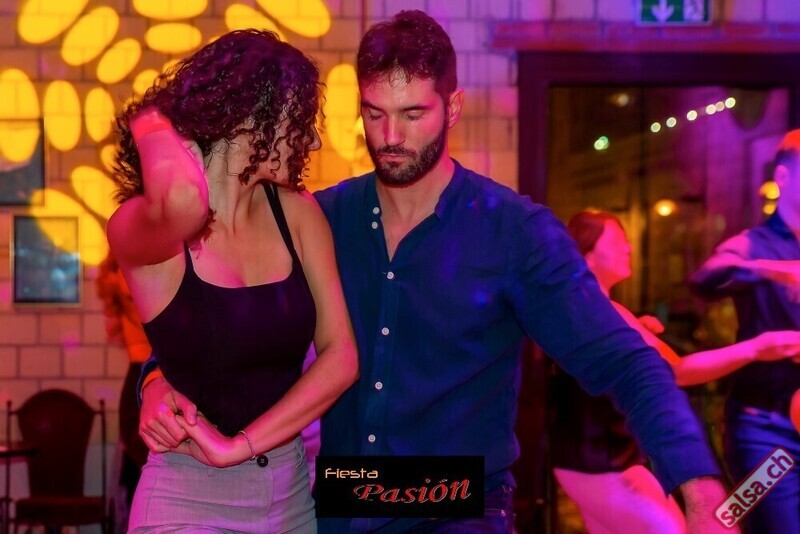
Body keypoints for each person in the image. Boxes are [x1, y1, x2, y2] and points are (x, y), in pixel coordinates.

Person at [139, 11, 732, 533]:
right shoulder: (322, 219)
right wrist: (157, 378)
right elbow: (226, 325)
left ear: (453, 107)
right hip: (340, 503)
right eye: (374, 114)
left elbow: (626, 361)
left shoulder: (514, 233)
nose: (390, 137)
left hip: (458, 507)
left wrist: (701, 493)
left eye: (413, 113)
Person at [107, 29, 358, 533]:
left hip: (289, 494)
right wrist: (151, 120)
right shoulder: (144, 227)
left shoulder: (298, 212)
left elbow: (341, 357)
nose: (312, 140)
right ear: (250, 116)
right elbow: (183, 201)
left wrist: (239, 446)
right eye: (300, 118)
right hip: (186, 496)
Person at [551, 209, 800, 533]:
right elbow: (677, 370)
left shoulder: (588, 310)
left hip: (592, 464)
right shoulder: (603, 310)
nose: (628, 247)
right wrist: (757, 347)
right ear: (588, 254)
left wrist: (637, 330)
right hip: (605, 467)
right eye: (618, 240)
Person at [689, 130, 800, 534]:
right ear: (783, 177)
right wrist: (773, 270)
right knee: (767, 525)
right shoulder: (754, 243)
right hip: (765, 432)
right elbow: (705, 279)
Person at [96, 253, 152, 529]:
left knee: (138, 476)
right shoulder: (127, 272)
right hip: (144, 380)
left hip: (144, 379)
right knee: (142, 475)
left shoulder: (123, 270)